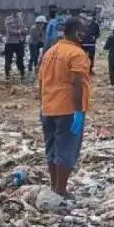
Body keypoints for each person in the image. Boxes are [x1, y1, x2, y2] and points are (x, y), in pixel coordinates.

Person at [38, 17, 90, 199]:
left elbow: (41, 80)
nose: (85, 33)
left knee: (52, 148)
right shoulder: (76, 54)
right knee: (67, 148)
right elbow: (76, 83)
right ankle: (61, 188)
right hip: (67, 108)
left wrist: (42, 104)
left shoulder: (50, 52)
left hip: (48, 107)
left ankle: (54, 185)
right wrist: (77, 111)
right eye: (83, 30)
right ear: (76, 32)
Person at [3, 12, 27, 81]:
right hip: (10, 42)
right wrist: (19, 31)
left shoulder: (21, 19)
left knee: (20, 58)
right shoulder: (8, 19)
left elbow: (24, 29)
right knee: (8, 58)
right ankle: (7, 74)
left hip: (19, 42)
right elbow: (9, 30)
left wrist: (24, 31)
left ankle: (22, 73)